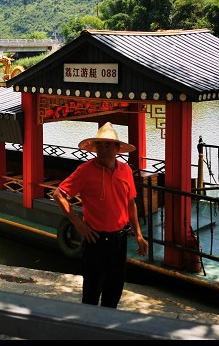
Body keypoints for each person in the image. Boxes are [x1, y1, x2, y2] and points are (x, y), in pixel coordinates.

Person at [52, 122, 149, 309]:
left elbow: (130, 203)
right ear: (95, 148)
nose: (103, 150)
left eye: (108, 145)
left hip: (119, 240)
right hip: (95, 240)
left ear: (117, 148)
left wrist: (138, 234)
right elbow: (59, 195)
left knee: (114, 292)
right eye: (100, 145)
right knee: (91, 292)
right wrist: (78, 224)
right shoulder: (85, 171)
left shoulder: (125, 171)